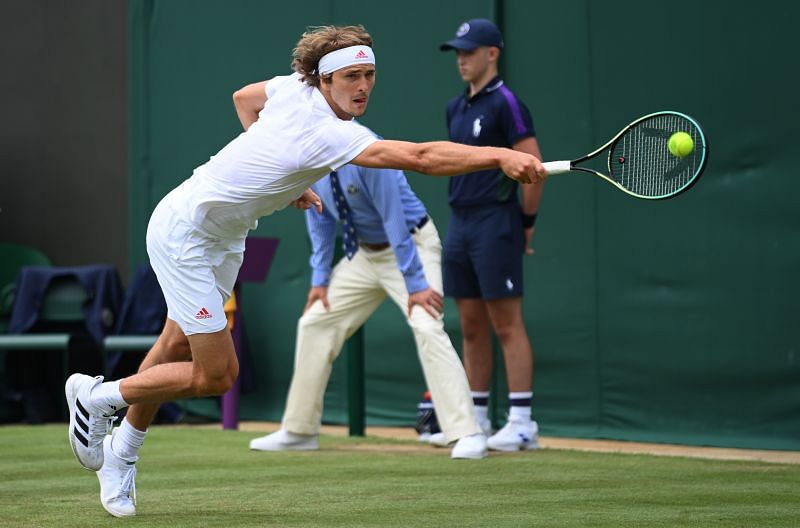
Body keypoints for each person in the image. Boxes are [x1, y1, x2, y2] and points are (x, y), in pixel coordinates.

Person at [64, 25, 547, 518]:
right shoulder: (328, 133)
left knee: (173, 343)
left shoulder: (291, 87)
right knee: (217, 374)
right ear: (324, 80)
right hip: (184, 232)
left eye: (370, 75)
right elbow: (420, 157)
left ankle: (121, 454)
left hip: (224, 235)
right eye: (352, 77)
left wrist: (281, 173)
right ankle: (97, 395)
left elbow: (244, 99)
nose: (363, 87)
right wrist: (500, 154)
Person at [249, 154, 487, 459]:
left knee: (426, 324)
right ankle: (299, 431)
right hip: (363, 256)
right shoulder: (310, 158)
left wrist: (416, 283)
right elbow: (319, 217)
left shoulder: (369, 155)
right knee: (314, 322)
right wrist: (320, 280)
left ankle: (467, 433)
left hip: (412, 246)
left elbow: (394, 220)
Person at [432, 19, 545, 452]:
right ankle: (474, 418)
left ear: (492, 53)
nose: (462, 59)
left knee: (506, 323)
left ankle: (521, 423)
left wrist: (525, 224)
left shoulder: (507, 104)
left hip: (497, 221)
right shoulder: (454, 108)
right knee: (471, 325)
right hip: (460, 223)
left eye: (469, 51)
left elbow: (534, 170)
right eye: (457, 52)